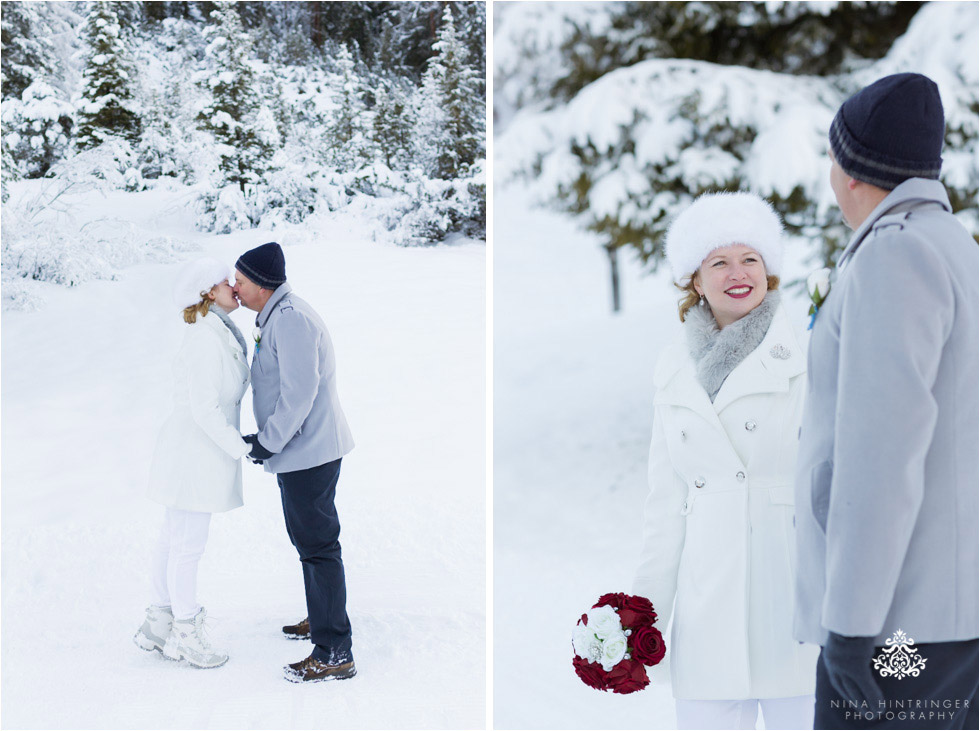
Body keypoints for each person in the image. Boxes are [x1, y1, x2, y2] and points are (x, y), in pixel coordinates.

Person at [795, 72, 979, 730]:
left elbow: (880, 456)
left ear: (848, 171)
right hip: (944, 619)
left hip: (894, 627)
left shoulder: (894, 255)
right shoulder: (956, 246)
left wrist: (848, 624)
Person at [633, 192, 820, 730]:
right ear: (695, 278)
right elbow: (664, 508)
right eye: (719, 261)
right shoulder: (672, 369)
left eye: (751, 259)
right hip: (707, 608)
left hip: (793, 604)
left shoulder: (808, 355)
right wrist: (638, 615)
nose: (738, 274)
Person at [232, 242, 357, 684]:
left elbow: (300, 394)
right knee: (310, 544)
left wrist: (267, 442)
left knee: (319, 547)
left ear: (263, 285)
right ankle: (321, 616)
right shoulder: (277, 317)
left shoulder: (292, 320)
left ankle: (334, 651)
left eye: (242, 281)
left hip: (310, 452)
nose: (235, 287)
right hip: (300, 452)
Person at [134, 257, 251, 669]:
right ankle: (183, 630)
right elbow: (204, 408)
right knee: (187, 544)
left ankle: (159, 622)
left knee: (174, 538)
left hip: (192, 452)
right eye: (224, 282)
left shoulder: (213, 332)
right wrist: (242, 447)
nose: (233, 285)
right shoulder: (205, 338)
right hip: (194, 453)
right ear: (208, 293)